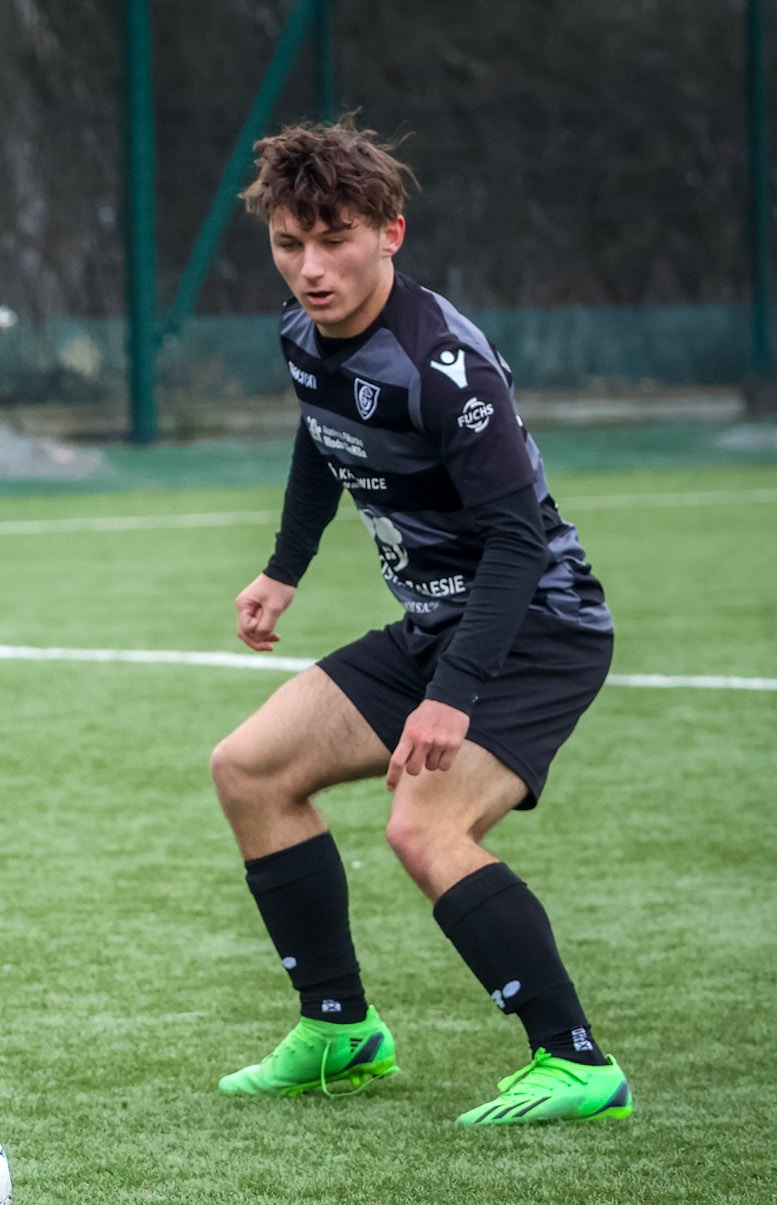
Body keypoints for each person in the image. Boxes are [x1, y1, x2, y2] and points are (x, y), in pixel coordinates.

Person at [207, 120, 631, 1125]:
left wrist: (449, 699)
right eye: (287, 244)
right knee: (249, 768)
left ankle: (575, 1062)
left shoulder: (443, 364)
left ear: (388, 232)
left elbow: (517, 543)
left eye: (334, 240)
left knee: (423, 824)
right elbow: (321, 435)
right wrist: (283, 569)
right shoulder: (302, 332)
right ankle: (339, 1031)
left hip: (535, 630)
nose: (310, 269)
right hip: (438, 624)